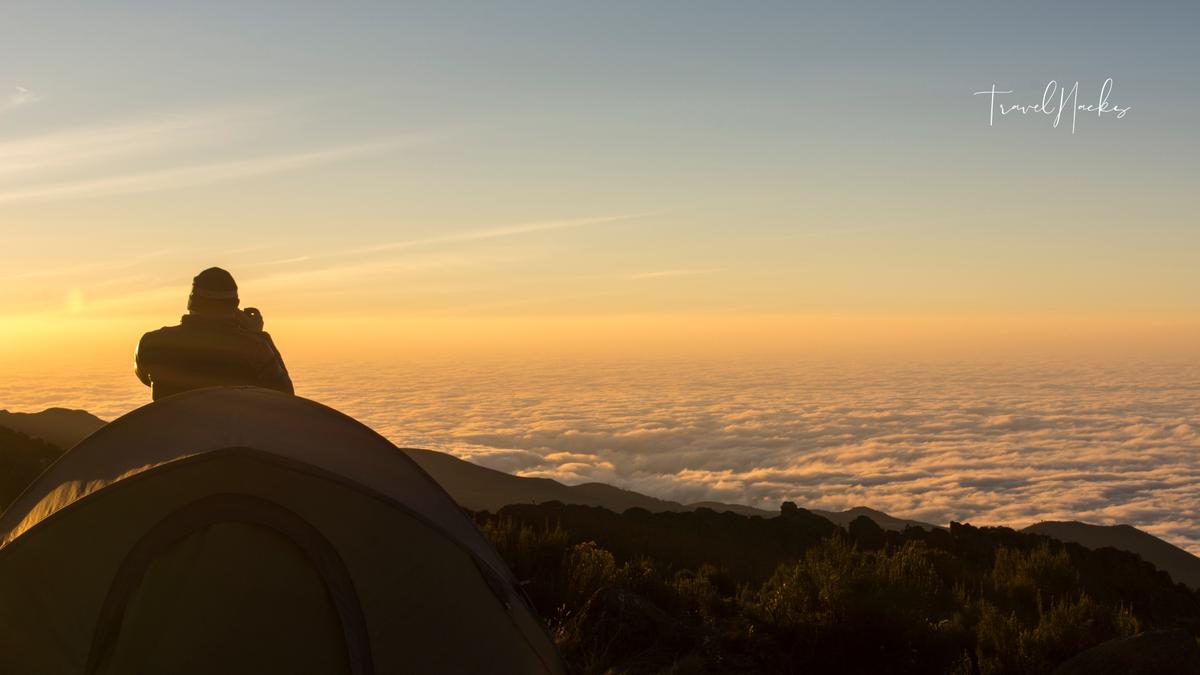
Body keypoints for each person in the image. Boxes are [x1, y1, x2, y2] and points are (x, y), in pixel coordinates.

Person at [134, 267, 294, 400]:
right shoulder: (255, 349)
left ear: (191, 301)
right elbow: (284, 395)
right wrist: (258, 334)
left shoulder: (151, 343)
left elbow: (146, 377)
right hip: (228, 437)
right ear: (235, 307)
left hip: (168, 436)